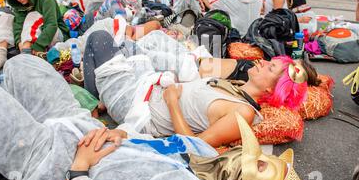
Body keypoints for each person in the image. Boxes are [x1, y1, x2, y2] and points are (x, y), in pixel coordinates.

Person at [0, 56, 309, 180]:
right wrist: (122, 135)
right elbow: (161, 144)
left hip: (52, 161)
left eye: (260, 168)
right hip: (87, 127)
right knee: (25, 64)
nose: (252, 155)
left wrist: (79, 170)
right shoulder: (213, 161)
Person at [83, 30, 319, 148]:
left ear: (271, 91)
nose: (262, 62)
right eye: (270, 61)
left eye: (270, 68)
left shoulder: (243, 113)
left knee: (99, 38)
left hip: (139, 107)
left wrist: (173, 100)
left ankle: (95, 100)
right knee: (128, 44)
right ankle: (101, 95)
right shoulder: (236, 88)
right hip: (149, 86)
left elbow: (193, 147)